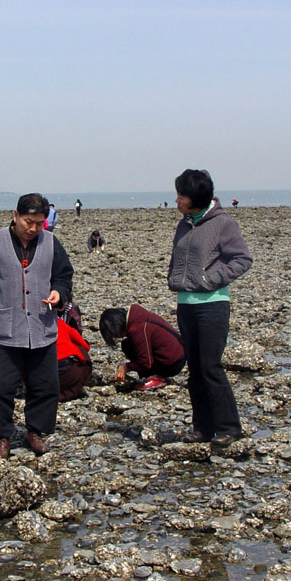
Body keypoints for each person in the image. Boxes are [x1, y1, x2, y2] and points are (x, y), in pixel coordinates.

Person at [0, 193, 73, 458]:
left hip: (42, 326)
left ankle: (35, 432)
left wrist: (59, 293)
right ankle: (2, 437)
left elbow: (64, 276)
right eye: (29, 222)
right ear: (16, 216)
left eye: (39, 223)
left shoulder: (51, 243)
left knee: (45, 385)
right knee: (1, 387)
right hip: (4, 328)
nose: (33, 229)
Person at [168, 169, 252, 448]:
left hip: (212, 305)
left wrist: (210, 280)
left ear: (195, 198)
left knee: (210, 367)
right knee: (195, 369)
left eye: (181, 196)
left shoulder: (223, 223)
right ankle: (202, 427)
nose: (177, 201)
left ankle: (229, 427)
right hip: (185, 305)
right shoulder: (184, 224)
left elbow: (242, 259)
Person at [99, 305, 185, 391]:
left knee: (128, 347)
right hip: (178, 355)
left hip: (172, 363)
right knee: (126, 344)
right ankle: (156, 377)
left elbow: (145, 362)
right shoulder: (137, 317)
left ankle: (155, 377)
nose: (117, 337)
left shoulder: (137, 329)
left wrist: (127, 367)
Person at [56, 313, 92, 402]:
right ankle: (71, 392)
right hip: (70, 374)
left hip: (41, 379)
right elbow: (85, 346)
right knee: (80, 348)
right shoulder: (59, 322)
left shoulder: (27, 331)